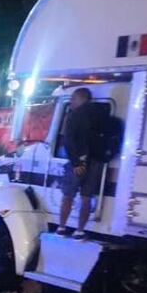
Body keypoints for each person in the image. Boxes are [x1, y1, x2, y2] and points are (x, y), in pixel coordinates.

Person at [58, 88, 106, 239]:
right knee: (86, 197)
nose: (71, 102)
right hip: (96, 161)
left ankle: (61, 227)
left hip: (79, 161)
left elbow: (68, 141)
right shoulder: (101, 114)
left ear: (81, 98)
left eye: (73, 99)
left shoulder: (74, 115)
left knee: (68, 195)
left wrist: (76, 162)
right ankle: (80, 230)